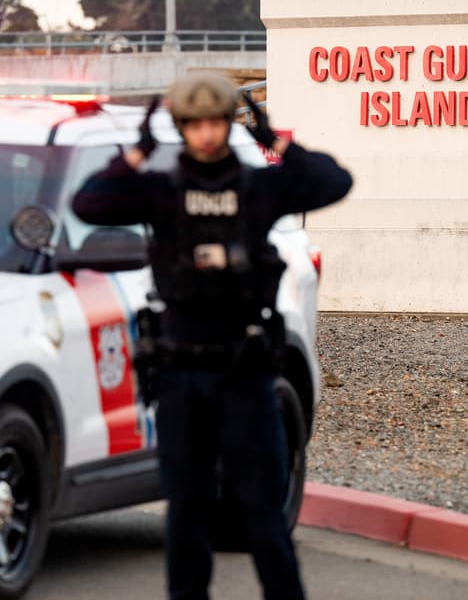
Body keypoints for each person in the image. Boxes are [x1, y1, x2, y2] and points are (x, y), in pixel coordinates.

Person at [72, 72, 352, 600]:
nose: (205, 134)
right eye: (194, 124)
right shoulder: (160, 192)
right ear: (182, 126)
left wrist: (276, 143)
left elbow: (335, 183)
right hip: (181, 375)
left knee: (263, 512)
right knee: (187, 512)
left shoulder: (258, 188)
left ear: (228, 125)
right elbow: (89, 205)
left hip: (244, 372)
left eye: (215, 123)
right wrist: (135, 155)